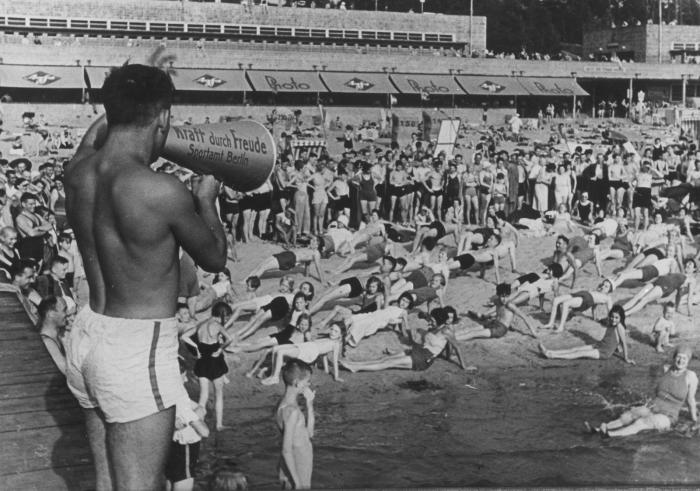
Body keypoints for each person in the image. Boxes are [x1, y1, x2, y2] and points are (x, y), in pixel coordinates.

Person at [63, 64, 227, 490]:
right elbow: (214, 258)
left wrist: (126, 107)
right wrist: (207, 201)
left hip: (86, 333)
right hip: (137, 347)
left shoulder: (78, 173)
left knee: (107, 483)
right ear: (164, 119)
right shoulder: (160, 190)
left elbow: (95, 138)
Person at [586, 345, 697, 437]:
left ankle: (610, 435)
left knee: (641, 423)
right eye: (678, 357)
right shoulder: (666, 369)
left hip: (668, 416)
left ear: (688, 361)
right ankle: (599, 429)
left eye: (684, 358)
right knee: (629, 415)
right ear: (674, 358)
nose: (680, 360)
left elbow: (691, 401)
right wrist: (647, 405)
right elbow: (658, 389)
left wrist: (695, 421)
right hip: (653, 407)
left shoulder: (690, 376)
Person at [340, 308, 467, 373]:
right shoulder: (432, 328)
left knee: (388, 364)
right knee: (385, 359)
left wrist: (464, 367)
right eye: (430, 319)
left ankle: (354, 367)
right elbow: (423, 342)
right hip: (418, 350)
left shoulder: (446, 331)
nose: (429, 322)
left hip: (422, 360)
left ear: (440, 321)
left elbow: (457, 347)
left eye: (432, 321)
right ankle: (355, 364)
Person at [182, 302, 233, 431]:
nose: (226, 319)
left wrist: (196, 348)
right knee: (218, 394)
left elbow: (184, 336)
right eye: (226, 317)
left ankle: (200, 422)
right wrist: (221, 349)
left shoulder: (201, 324)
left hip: (202, 361)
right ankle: (219, 424)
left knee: (203, 396)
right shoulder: (217, 325)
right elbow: (230, 339)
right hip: (215, 362)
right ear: (222, 314)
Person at [538, 305, 635, 363]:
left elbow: (623, 342)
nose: (614, 319)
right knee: (575, 348)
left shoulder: (619, 327)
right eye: (612, 317)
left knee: (580, 353)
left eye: (616, 318)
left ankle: (552, 355)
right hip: (600, 344)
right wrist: (617, 348)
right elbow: (613, 339)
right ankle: (549, 351)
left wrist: (626, 358)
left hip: (604, 352)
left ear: (621, 318)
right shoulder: (611, 323)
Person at [261, 323, 345, 385]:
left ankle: (275, 378)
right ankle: (272, 375)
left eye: (336, 331)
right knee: (276, 348)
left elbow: (334, 360)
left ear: (340, 335)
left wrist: (336, 376)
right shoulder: (328, 338)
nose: (332, 332)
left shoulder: (336, 344)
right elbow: (324, 355)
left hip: (309, 352)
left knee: (280, 352)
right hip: (306, 346)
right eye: (332, 329)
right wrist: (326, 369)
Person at [276, 359, 315, 490]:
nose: (309, 384)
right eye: (307, 381)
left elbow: (309, 433)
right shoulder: (291, 411)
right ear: (297, 383)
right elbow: (286, 449)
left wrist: (309, 404)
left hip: (293, 463)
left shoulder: (282, 405)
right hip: (298, 464)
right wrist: (297, 483)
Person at [459, 283, 538, 341]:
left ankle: (452, 339)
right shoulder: (497, 301)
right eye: (502, 296)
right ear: (498, 295)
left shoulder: (510, 305)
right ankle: (449, 337)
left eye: (506, 296)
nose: (504, 299)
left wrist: (533, 332)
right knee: (470, 329)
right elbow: (497, 312)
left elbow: (524, 317)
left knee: (474, 334)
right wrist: (486, 316)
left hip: (500, 329)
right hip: (493, 323)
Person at [622, 260, 696, 316]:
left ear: (694, 269)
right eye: (687, 263)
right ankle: (621, 310)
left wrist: (690, 312)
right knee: (637, 296)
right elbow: (678, 295)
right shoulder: (680, 272)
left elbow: (688, 297)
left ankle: (625, 314)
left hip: (666, 287)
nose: (687, 265)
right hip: (659, 280)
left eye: (690, 264)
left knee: (645, 299)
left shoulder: (691, 280)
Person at [165, 398, 209, 491]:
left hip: (170, 444)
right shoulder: (183, 407)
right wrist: (195, 418)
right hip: (185, 447)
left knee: (170, 479)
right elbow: (205, 432)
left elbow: (200, 408)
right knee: (183, 479)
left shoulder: (170, 396)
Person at [242, 237, 326, 284]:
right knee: (262, 264)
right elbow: (308, 263)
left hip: (289, 260)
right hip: (287, 254)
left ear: (317, 245)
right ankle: (245, 279)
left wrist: (323, 281)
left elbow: (318, 267)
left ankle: (250, 282)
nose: (311, 240)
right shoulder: (310, 249)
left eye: (314, 240)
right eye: (312, 239)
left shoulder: (316, 253)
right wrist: (306, 275)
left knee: (264, 268)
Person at [542, 287, 613, 332]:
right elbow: (594, 308)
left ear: (609, 290)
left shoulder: (608, 298)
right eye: (603, 284)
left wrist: (610, 321)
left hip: (588, 298)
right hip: (582, 293)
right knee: (556, 300)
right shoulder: (597, 291)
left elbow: (610, 311)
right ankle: (550, 323)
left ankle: (561, 327)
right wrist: (594, 316)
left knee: (566, 304)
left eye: (606, 286)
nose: (603, 287)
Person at [38, 296, 68, 375]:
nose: (67, 314)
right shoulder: (47, 343)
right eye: (64, 310)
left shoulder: (58, 336)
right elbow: (67, 371)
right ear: (51, 314)